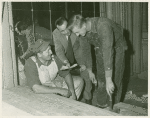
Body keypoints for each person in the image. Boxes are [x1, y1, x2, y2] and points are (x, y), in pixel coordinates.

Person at [67, 14, 128, 108]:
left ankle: (114, 107)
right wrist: (90, 70)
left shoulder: (103, 26)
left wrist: (109, 79)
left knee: (114, 80)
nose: (77, 35)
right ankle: (102, 105)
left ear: (84, 25)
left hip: (117, 48)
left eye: (77, 32)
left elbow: (108, 51)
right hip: (100, 48)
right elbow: (86, 52)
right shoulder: (83, 32)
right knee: (101, 79)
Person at [53, 17, 97, 104]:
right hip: (65, 59)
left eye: (66, 29)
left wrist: (87, 67)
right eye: (62, 31)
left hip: (79, 57)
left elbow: (85, 52)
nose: (65, 32)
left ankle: (88, 101)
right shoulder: (55, 33)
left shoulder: (78, 31)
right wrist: (65, 62)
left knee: (86, 76)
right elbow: (59, 50)